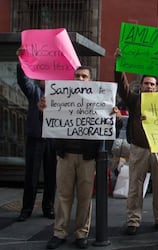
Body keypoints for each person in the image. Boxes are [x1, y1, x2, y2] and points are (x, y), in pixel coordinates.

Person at [40, 66, 102, 249]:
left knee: (84, 197)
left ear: (90, 80)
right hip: (65, 156)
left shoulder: (99, 99)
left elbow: (106, 124)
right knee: (63, 196)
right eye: (77, 76)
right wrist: (43, 109)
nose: (80, 79)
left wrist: (114, 117)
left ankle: (81, 233)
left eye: (84, 76)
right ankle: (59, 232)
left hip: (87, 158)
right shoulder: (60, 97)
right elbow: (48, 120)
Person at [114, 50, 158, 235]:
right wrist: (119, 65)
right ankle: (133, 221)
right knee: (135, 187)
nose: (149, 86)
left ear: (156, 87)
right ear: (141, 86)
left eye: (152, 84)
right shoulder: (134, 100)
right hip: (138, 149)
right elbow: (122, 86)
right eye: (146, 83)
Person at [15, 55, 56, 222]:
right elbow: (23, 80)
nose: (44, 81)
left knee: (51, 176)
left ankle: (48, 207)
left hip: (52, 139)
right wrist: (21, 61)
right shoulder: (34, 92)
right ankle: (26, 209)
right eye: (42, 78)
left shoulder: (60, 94)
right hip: (35, 138)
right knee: (31, 175)